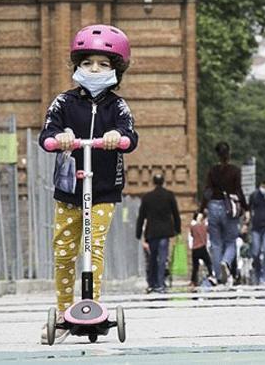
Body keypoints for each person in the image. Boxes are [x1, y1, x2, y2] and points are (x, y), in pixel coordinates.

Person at [38, 24, 138, 343]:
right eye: (88, 63)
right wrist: (59, 137)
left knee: (91, 248)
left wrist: (116, 137)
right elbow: (47, 134)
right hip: (69, 189)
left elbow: (130, 135)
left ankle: (89, 306)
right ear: (78, 66)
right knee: (65, 250)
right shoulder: (63, 103)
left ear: (115, 70)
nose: (94, 69)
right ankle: (65, 311)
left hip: (103, 189)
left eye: (103, 64)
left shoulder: (117, 106)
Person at [201, 141, 245, 286]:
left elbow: (207, 191)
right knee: (231, 241)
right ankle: (225, 262)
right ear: (229, 153)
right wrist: (246, 208)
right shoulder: (235, 170)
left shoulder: (212, 171)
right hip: (229, 209)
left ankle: (218, 276)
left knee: (215, 243)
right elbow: (238, 191)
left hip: (213, 206)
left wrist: (202, 209)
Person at [136, 173, 181, 294]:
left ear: (154, 182)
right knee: (162, 258)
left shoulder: (147, 197)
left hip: (152, 232)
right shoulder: (169, 196)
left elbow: (141, 216)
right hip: (165, 231)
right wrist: (178, 229)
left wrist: (138, 232)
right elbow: (175, 214)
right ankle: (161, 283)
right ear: (163, 182)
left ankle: (152, 282)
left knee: (152, 258)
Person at [188, 211, 213, 288]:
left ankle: (193, 280)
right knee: (208, 262)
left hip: (195, 248)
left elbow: (191, 235)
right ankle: (211, 275)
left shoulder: (193, 227)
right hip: (202, 247)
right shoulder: (204, 226)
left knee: (195, 266)